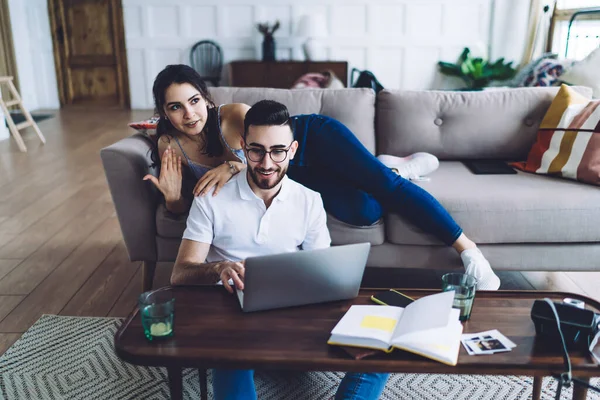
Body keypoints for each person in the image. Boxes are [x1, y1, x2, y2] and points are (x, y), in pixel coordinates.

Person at [145, 64, 500, 290]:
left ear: (205, 98)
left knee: (387, 188)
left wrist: (234, 163)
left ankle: (468, 251)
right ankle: (389, 165)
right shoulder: (169, 144)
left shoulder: (233, 115)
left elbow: (268, 143)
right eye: (175, 107)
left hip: (309, 144)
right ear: (163, 111)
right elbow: (187, 205)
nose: (189, 114)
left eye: (193, 100)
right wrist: (173, 199)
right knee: (364, 212)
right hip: (285, 181)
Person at [171, 100, 390, 400]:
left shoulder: (310, 201)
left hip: (294, 317)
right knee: (228, 359)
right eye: (257, 150)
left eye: (278, 151)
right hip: (233, 320)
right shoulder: (211, 197)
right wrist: (218, 268)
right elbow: (181, 273)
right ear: (243, 146)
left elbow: (324, 273)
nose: (267, 163)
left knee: (382, 343)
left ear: (294, 150)